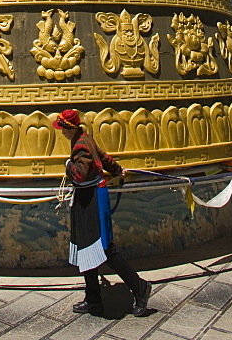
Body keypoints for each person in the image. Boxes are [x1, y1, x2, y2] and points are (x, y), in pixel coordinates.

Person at [53, 108, 151, 318]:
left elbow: (79, 174)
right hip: (84, 199)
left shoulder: (81, 145)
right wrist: (117, 169)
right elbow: (103, 156)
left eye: (63, 129)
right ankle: (93, 299)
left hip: (93, 200)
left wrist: (68, 165)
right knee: (85, 248)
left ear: (70, 128)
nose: (61, 133)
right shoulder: (83, 138)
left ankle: (140, 287)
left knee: (105, 249)